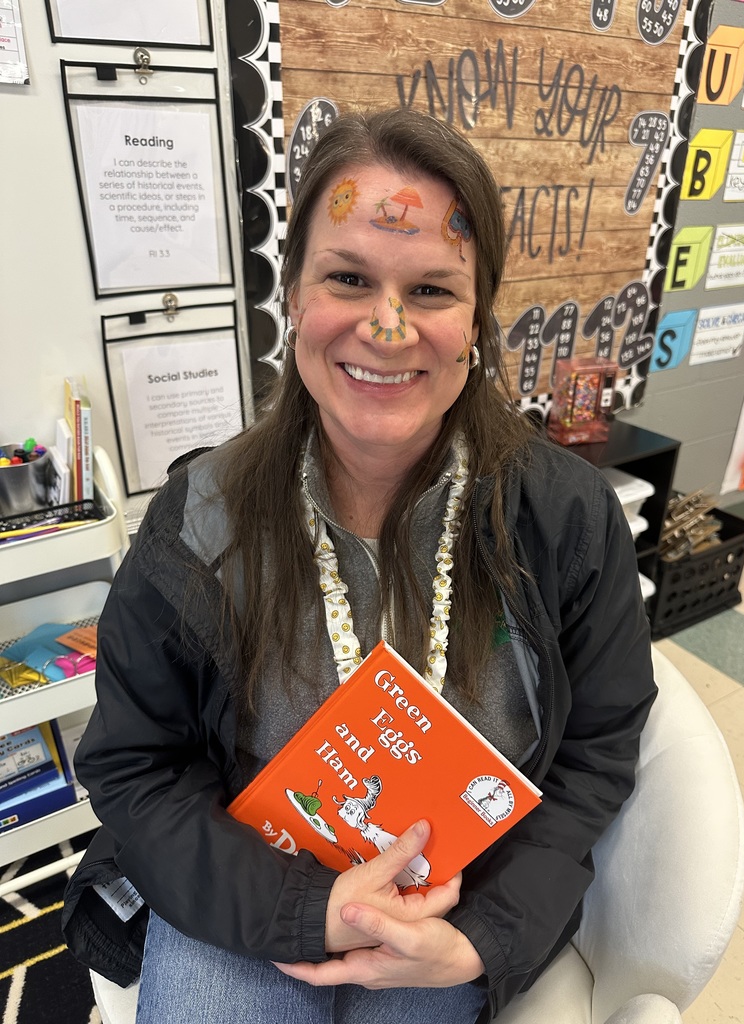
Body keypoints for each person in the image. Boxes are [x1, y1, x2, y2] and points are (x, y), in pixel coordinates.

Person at [63, 108, 656, 1023]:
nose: (387, 328)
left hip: (454, 899)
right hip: (246, 880)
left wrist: (486, 938)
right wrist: (305, 909)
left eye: (431, 290)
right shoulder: (198, 519)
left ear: (477, 319)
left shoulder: (568, 519)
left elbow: (597, 754)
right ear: (293, 299)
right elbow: (137, 766)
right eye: (348, 277)